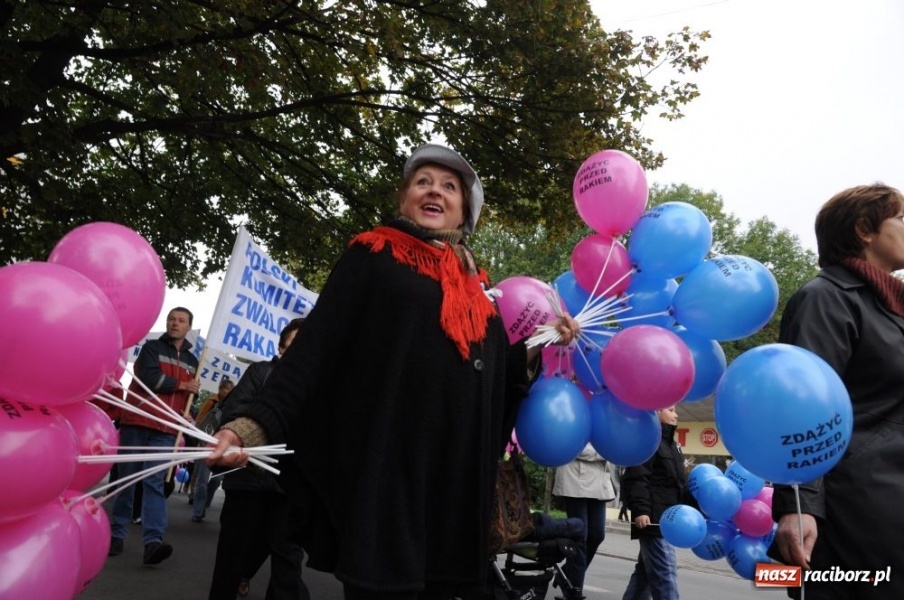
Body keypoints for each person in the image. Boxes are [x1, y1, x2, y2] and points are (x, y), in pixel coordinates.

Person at [207, 143, 579, 599]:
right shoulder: (374, 254)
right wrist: (251, 427)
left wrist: (543, 341)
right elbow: (316, 347)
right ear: (404, 199)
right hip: (389, 476)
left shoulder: (479, 291)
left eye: (448, 187)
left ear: (464, 212)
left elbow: (497, 375)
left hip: (450, 489)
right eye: (422, 182)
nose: (434, 191)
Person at [771, 183, 904, 599]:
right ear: (865, 229)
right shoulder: (825, 299)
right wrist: (799, 506)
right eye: (900, 218)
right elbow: (799, 410)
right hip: (854, 511)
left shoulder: (892, 307)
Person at [208, 317, 309, 600]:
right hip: (248, 479)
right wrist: (251, 432)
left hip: (289, 486)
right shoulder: (261, 373)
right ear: (280, 349)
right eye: (293, 346)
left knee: (287, 563)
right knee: (231, 557)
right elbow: (233, 414)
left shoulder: (316, 385)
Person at [108, 307, 201, 565]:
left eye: (181, 320)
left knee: (154, 484)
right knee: (127, 479)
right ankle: (116, 533)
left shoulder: (194, 361)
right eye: (172, 319)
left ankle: (153, 543)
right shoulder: (150, 348)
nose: (175, 323)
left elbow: (186, 397)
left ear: (188, 327)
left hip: (166, 429)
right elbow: (148, 378)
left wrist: (188, 412)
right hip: (138, 422)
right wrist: (183, 385)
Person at [621, 406, 687, 600]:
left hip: (668, 520)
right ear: (657, 411)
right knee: (665, 574)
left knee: (645, 576)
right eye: (672, 409)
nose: (676, 414)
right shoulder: (647, 441)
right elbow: (638, 477)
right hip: (653, 519)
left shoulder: (671, 445)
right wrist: (641, 510)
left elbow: (676, 485)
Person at [552, 443, 615, 600]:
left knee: (597, 535)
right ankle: (575, 589)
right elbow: (570, 446)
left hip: (599, 480)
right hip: (575, 478)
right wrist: (607, 451)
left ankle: (566, 574)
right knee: (580, 536)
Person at [190, 377, 235, 521]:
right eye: (226, 388)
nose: (228, 391)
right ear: (220, 389)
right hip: (206, 445)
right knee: (202, 480)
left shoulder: (235, 405)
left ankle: (205, 503)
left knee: (216, 479)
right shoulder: (211, 402)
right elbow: (199, 420)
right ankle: (198, 511)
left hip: (223, 446)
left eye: (230, 389)